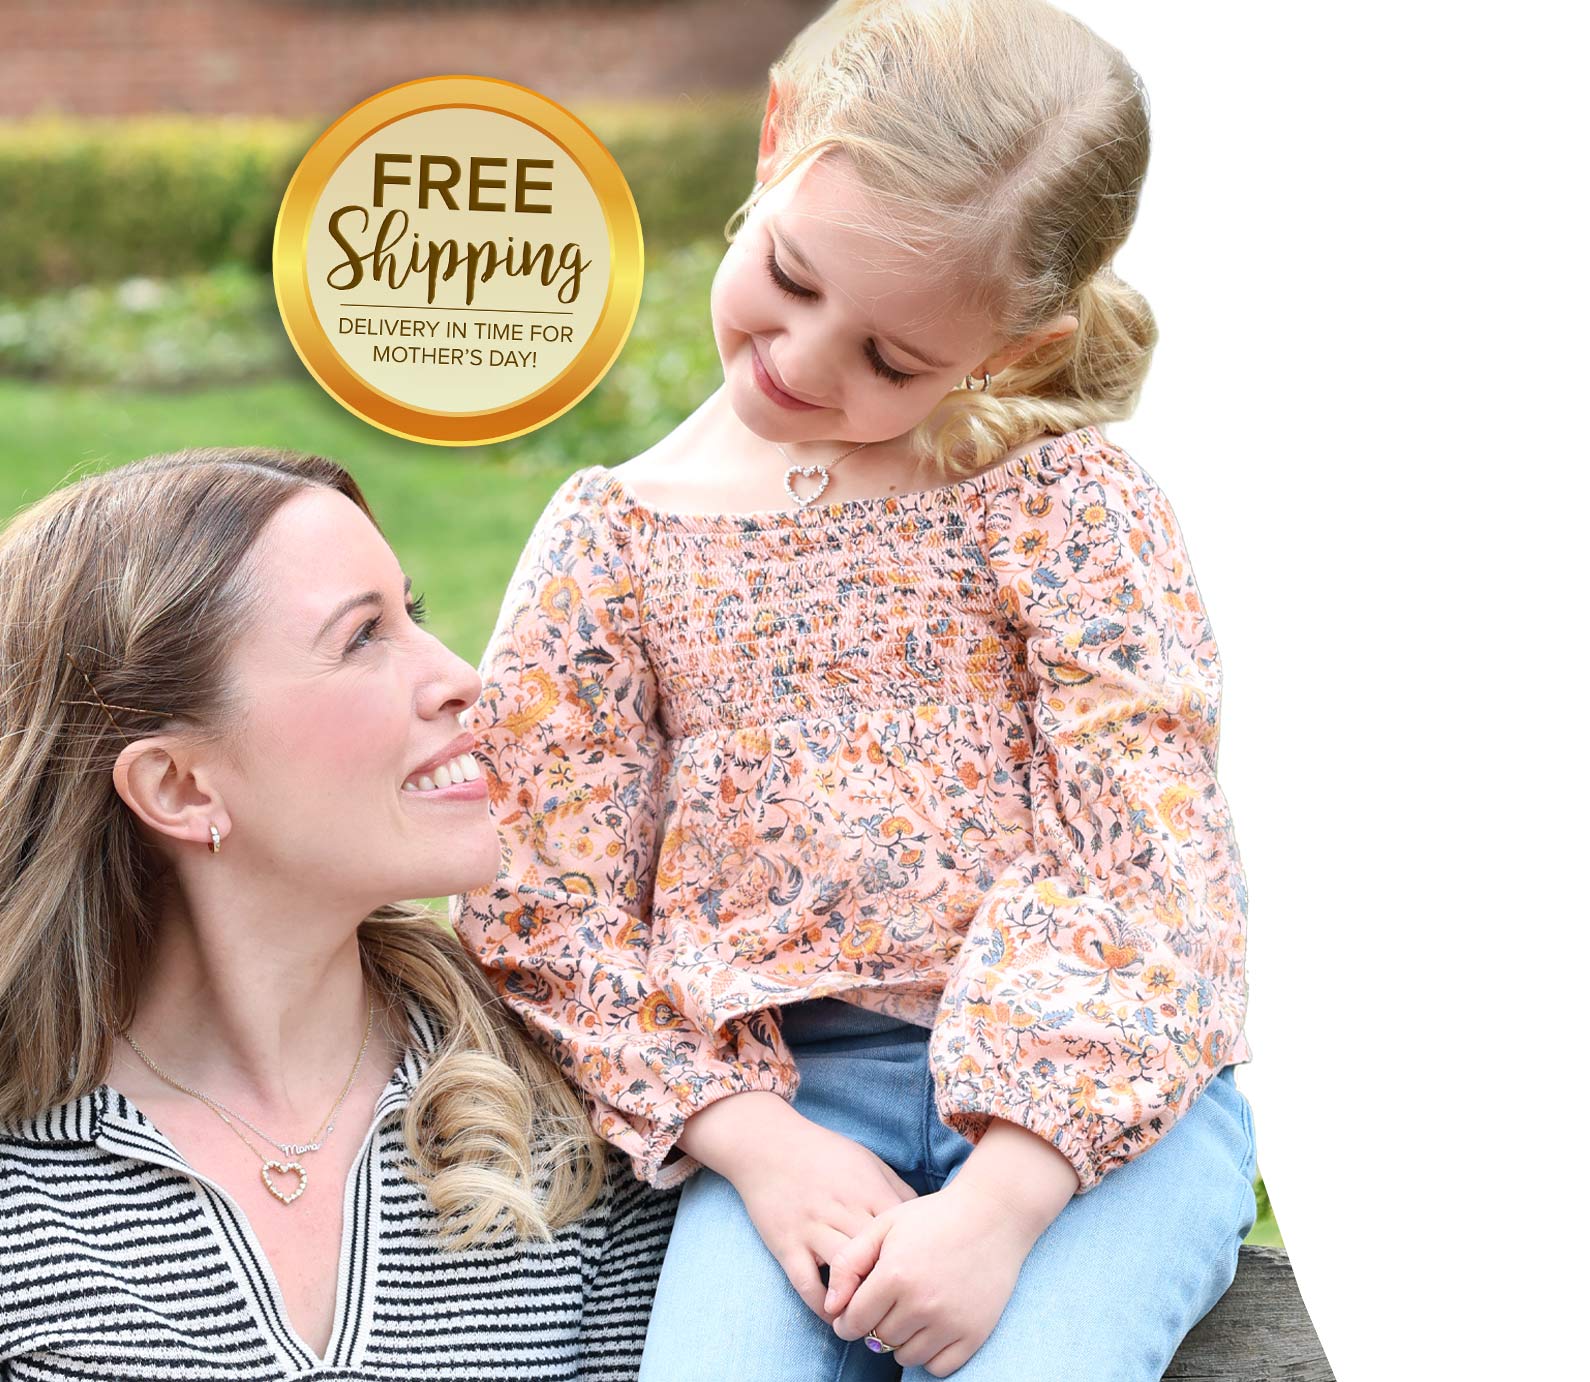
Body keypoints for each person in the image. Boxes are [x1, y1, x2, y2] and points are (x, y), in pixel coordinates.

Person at [451, 1, 1258, 1377]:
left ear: (1011, 345)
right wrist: (751, 1142)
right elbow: (538, 895)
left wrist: (1005, 1201)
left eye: (895, 359)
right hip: (790, 1104)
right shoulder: (617, 542)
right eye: (793, 276)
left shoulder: (1059, 507)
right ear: (776, 145)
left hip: (1100, 1121)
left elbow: (1148, 861)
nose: (805, 360)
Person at [0, 448, 678, 1381]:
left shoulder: (586, 1106)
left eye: (415, 614)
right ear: (181, 786)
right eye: (363, 637)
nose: (459, 675)